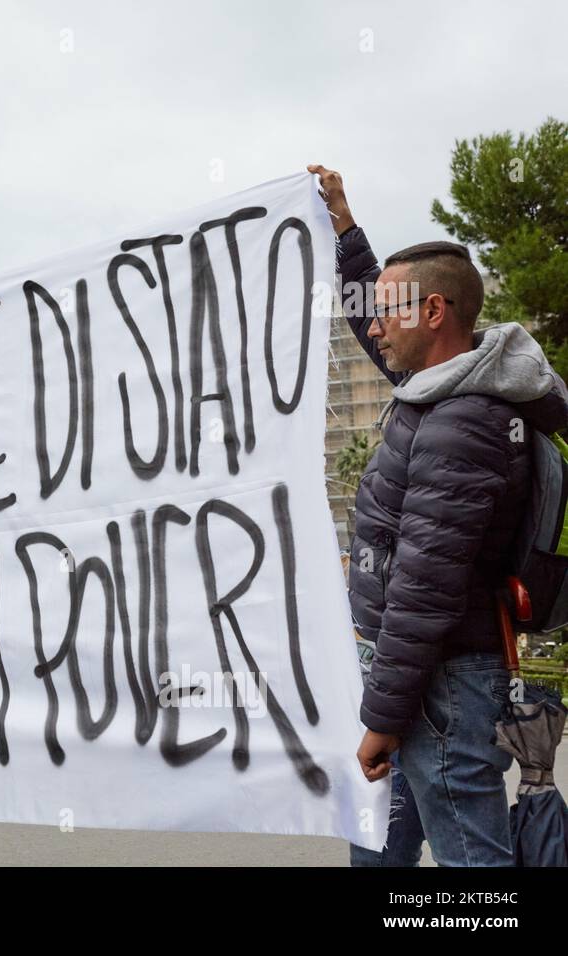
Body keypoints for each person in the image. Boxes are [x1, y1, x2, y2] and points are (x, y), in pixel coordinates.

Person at [309, 164, 568, 866]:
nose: (373, 326)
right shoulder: (443, 389)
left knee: (472, 867)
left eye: (390, 311)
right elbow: (377, 330)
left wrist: (383, 718)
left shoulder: (463, 423)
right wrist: (343, 226)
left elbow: (424, 588)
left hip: (438, 687)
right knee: (380, 849)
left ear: (435, 314)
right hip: (418, 677)